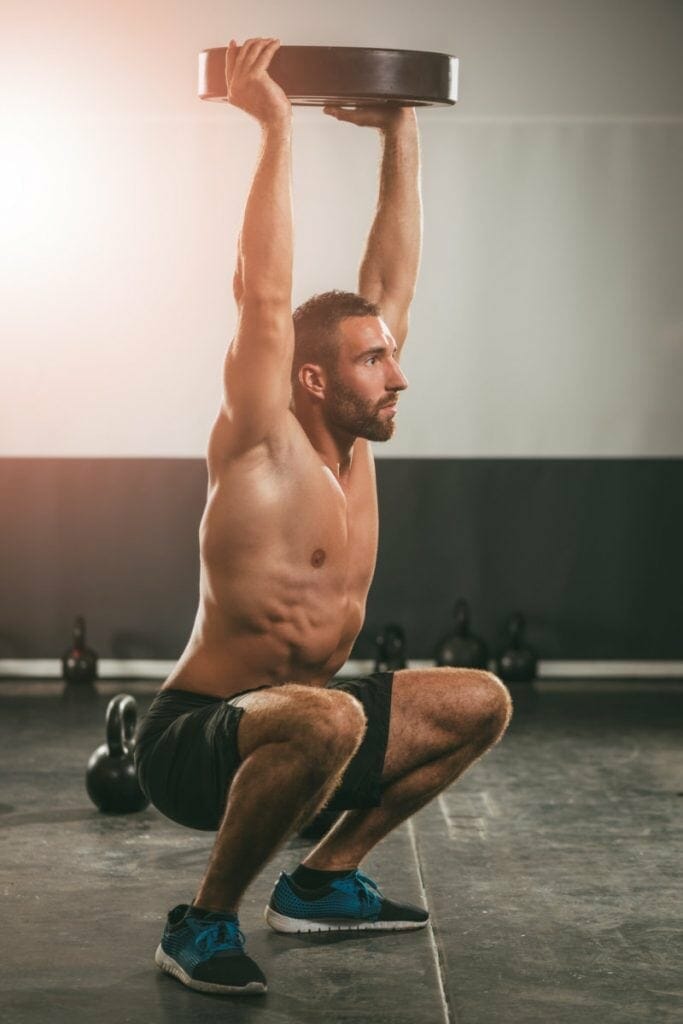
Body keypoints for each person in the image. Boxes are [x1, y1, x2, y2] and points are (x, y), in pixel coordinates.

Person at [134, 37, 512, 997]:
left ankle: (321, 880)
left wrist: (401, 131)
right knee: (330, 716)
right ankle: (201, 924)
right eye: (372, 362)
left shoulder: (354, 440)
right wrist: (273, 126)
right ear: (311, 377)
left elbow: (390, 283)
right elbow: (263, 294)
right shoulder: (262, 443)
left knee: (479, 701)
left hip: (314, 727)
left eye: (388, 356)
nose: (398, 374)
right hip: (195, 741)